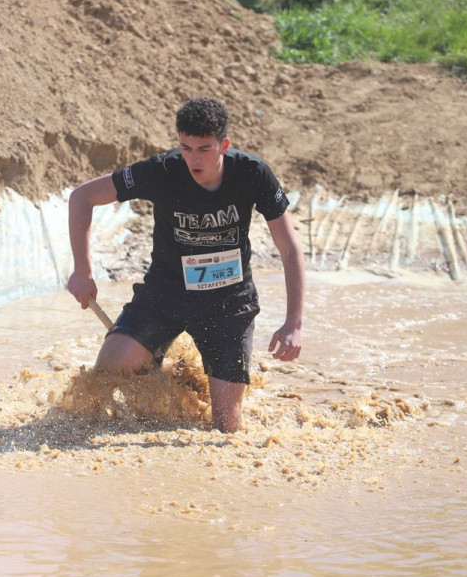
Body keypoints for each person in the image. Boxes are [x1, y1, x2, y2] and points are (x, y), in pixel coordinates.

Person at [67, 97, 305, 432]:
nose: (193, 159)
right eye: (185, 147)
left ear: (224, 145)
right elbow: (82, 197)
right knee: (107, 371)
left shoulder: (252, 173)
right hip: (165, 296)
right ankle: (153, 380)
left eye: (204, 149)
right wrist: (82, 270)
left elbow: (290, 247)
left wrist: (293, 322)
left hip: (229, 304)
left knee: (226, 427)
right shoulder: (162, 171)